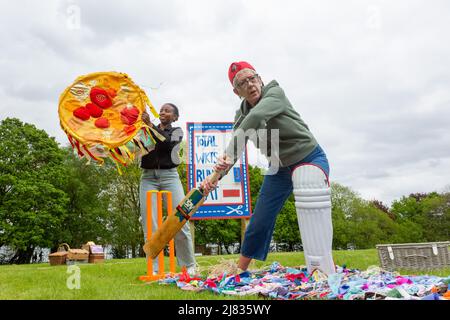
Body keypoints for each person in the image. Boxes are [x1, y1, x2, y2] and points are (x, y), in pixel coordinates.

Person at [201, 61, 336, 275]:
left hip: (309, 157)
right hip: (278, 168)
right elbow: (235, 145)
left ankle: (325, 267)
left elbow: (255, 118)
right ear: (236, 92)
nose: (250, 85)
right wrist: (217, 174)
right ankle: (239, 270)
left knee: (312, 208)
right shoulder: (241, 114)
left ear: (260, 79)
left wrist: (226, 157)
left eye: (252, 78)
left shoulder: (275, 93)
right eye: (242, 83)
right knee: (260, 219)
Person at [140, 103, 197, 275]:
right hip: (148, 177)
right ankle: (155, 268)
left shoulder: (177, 132)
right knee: (151, 223)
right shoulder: (147, 129)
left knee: (179, 219)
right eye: (162, 110)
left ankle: (189, 266)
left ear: (175, 117)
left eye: (168, 110)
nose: (163, 112)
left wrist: (150, 126)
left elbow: (166, 145)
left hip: (170, 177)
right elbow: (141, 147)